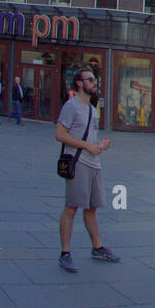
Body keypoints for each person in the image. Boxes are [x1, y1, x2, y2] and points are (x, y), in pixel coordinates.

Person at [55, 67, 117, 272]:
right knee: (72, 207)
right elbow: (60, 134)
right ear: (80, 84)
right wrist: (87, 146)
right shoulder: (71, 106)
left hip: (94, 163)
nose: (95, 82)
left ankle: (97, 247)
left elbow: (89, 137)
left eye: (95, 79)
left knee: (91, 208)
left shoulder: (92, 108)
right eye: (90, 79)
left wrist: (100, 144)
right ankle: (65, 253)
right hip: (77, 161)